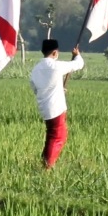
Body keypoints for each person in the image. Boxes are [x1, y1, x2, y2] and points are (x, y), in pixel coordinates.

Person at [29, 39, 84, 169]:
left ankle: (45, 162)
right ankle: (47, 166)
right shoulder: (55, 66)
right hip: (55, 108)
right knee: (58, 136)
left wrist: (59, 90)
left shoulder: (36, 69)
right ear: (55, 52)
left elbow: (36, 88)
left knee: (52, 136)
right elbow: (78, 64)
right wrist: (77, 55)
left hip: (45, 107)